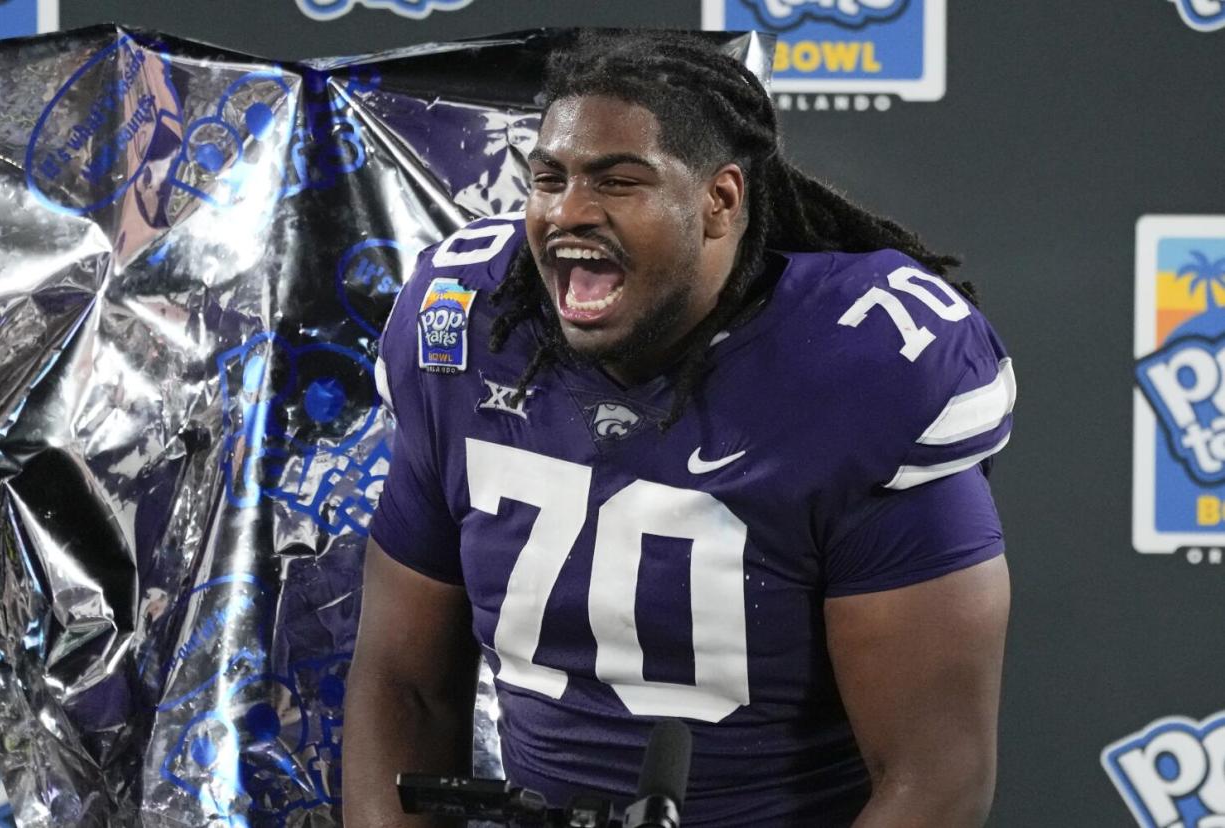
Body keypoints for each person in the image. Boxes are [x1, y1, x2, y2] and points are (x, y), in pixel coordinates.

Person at [343, 30, 1013, 828]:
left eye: (617, 182)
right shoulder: (467, 326)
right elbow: (403, 683)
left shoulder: (863, 365)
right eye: (548, 178)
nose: (568, 213)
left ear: (720, 200)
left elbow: (934, 776)